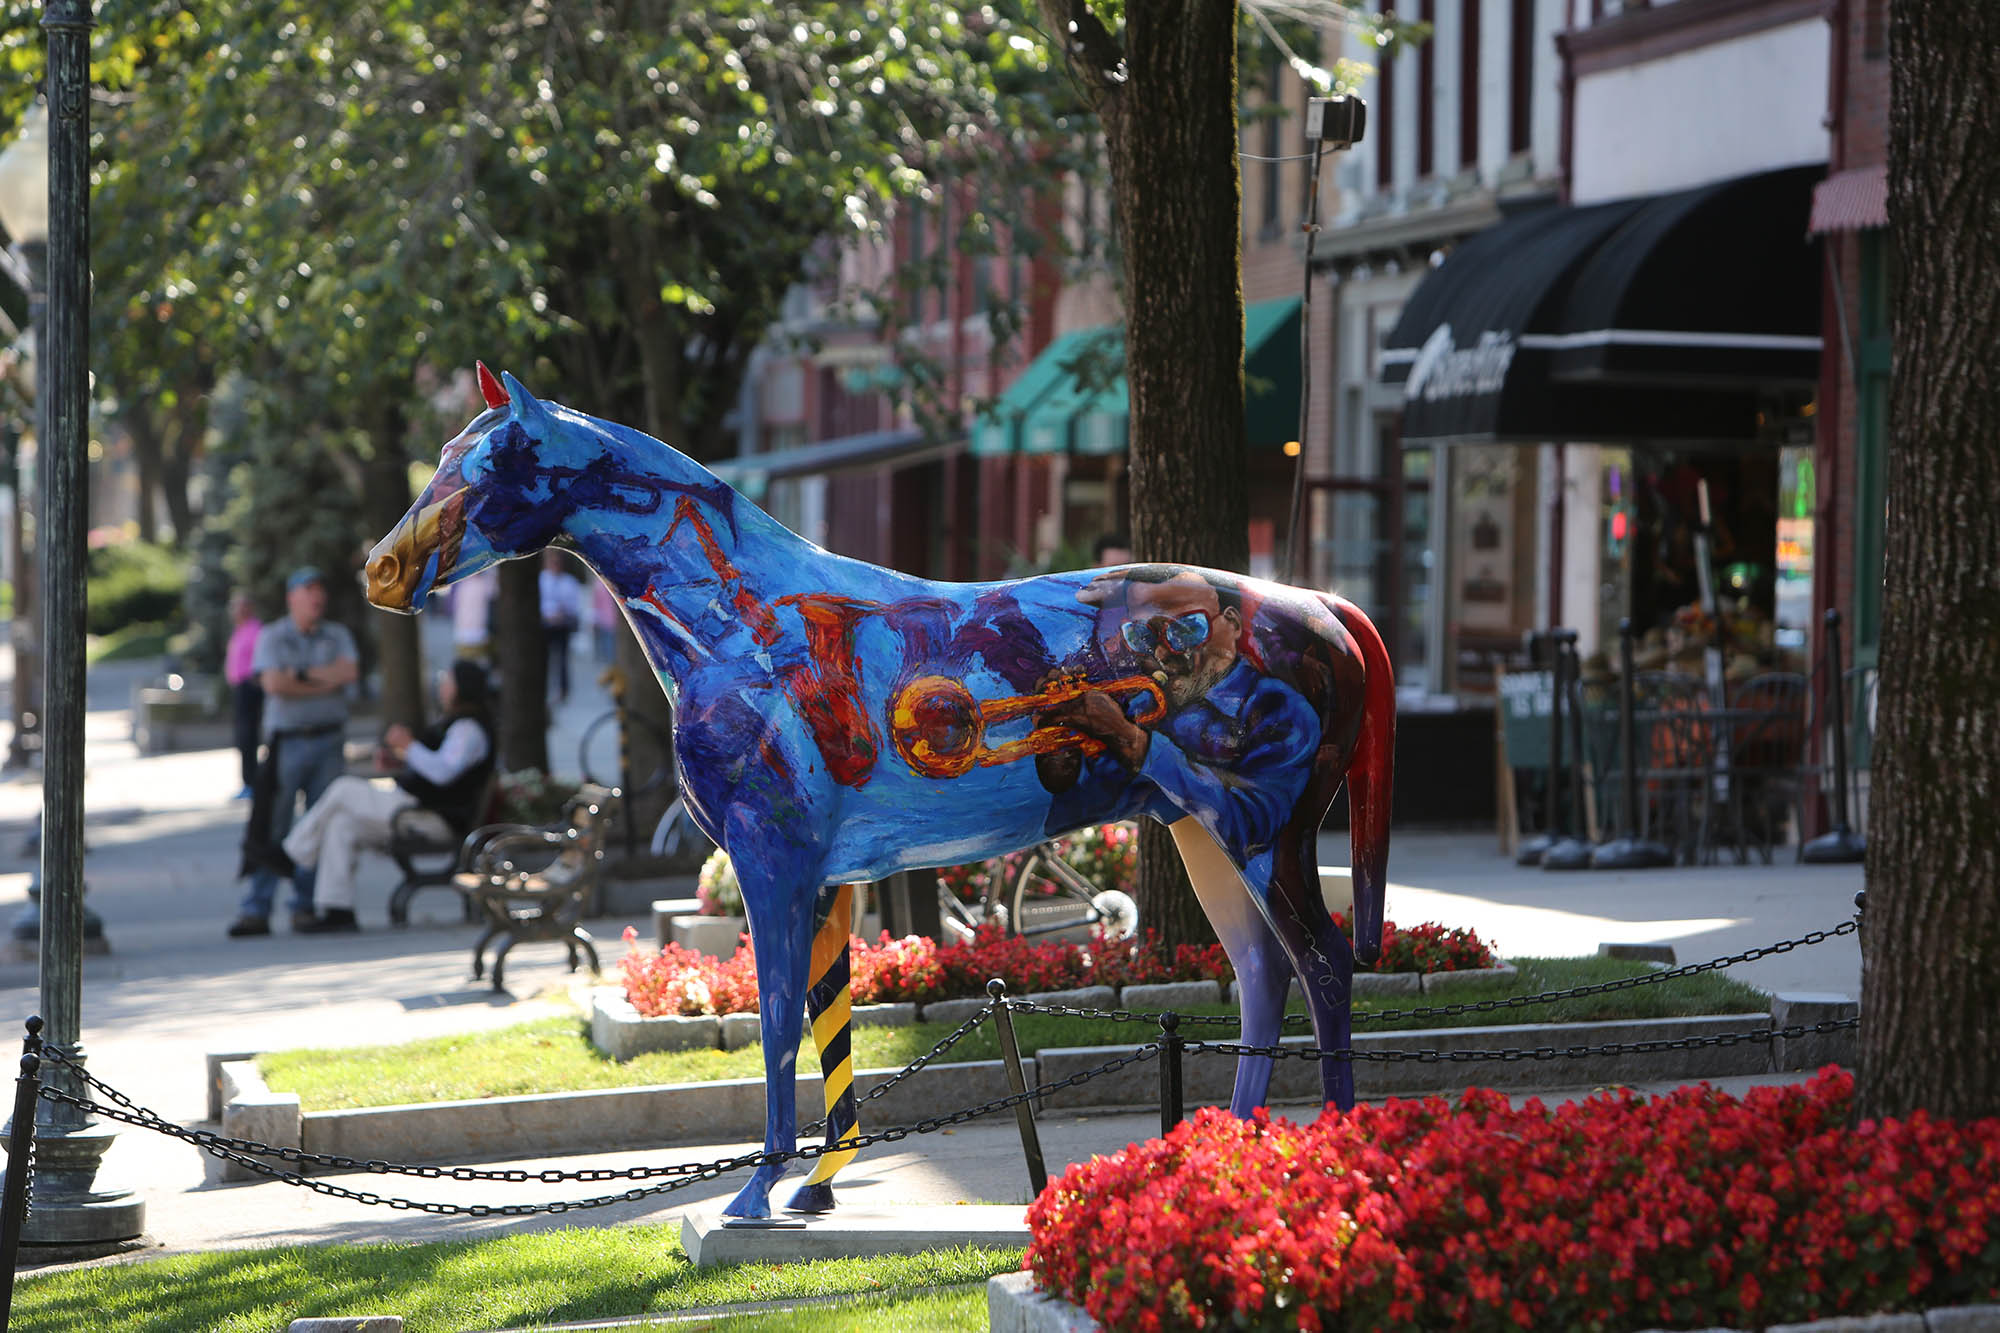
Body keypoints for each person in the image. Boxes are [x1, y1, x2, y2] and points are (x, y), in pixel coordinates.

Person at [1033, 567, 1320, 880]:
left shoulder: (1278, 710)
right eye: (1142, 636)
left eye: (1185, 630)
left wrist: (1134, 743)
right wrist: (1059, 752)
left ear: (1233, 624)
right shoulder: (1145, 707)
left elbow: (1251, 829)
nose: (1161, 654)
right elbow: (1068, 817)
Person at [281, 659, 496, 933]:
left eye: (447, 680)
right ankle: (337, 909)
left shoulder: (469, 729)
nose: (441, 685)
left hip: (433, 819)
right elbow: (435, 766)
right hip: (417, 811)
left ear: (462, 688)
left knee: (343, 788)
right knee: (341, 823)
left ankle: (291, 856)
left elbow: (443, 772)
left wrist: (409, 746)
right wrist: (402, 757)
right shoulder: (456, 724)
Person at [229, 567, 359, 938]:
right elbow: (274, 683)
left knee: (320, 823)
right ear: (292, 597)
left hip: (329, 741)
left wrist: (298, 676)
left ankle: (305, 905)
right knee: (273, 823)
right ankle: (256, 908)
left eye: (321, 590)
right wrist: (322, 678)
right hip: (287, 741)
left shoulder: (337, 634)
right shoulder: (273, 636)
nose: (317, 597)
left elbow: (348, 673)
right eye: (308, 590)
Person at [224, 591, 265, 800]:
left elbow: (260, 658)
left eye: (240, 607)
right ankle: (247, 781)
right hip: (240, 688)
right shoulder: (239, 630)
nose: (236, 611)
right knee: (242, 736)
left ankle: (252, 782)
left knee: (248, 736)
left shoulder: (256, 630)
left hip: (250, 688)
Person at [540, 549, 582, 704]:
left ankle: (563, 690)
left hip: (562, 626)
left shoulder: (569, 582)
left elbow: (574, 606)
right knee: (545, 659)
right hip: (546, 626)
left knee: (562, 660)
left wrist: (563, 615)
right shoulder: (542, 580)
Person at [451, 566, 498, 663]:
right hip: (470, 632)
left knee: (471, 662)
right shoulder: (482, 583)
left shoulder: (463, 583)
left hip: (473, 632)